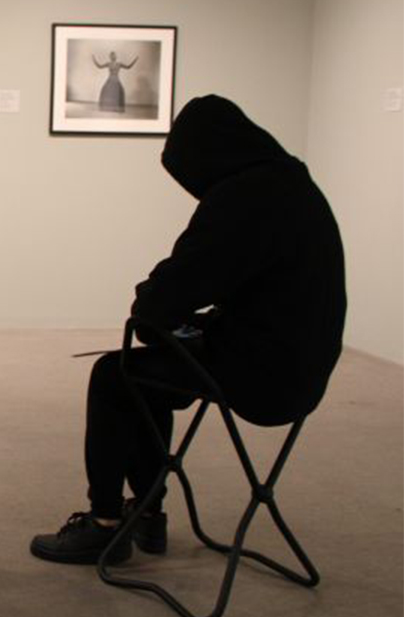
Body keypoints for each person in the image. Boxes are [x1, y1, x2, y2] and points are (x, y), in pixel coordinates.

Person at [31, 95, 346, 565]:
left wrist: (159, 306)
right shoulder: (290, 184)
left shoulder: (246, 198)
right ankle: (149, 514)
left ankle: (104, 523)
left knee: (114, 375)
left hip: (264, 374)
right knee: (149, 379)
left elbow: (167, 296)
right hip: (302, 365)